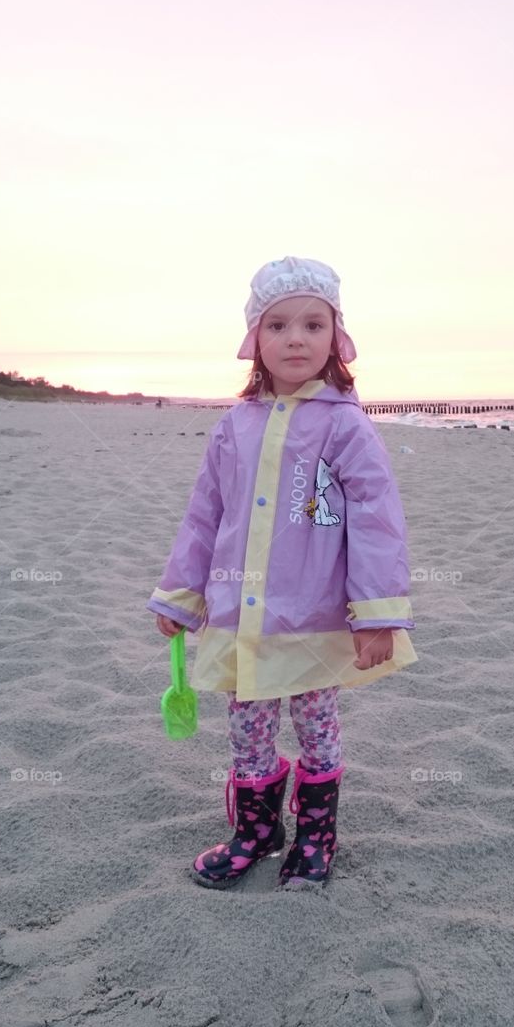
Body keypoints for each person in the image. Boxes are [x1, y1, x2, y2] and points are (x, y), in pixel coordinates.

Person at [146, 256, 418, 892]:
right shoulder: (233, 426)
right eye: (279, 326)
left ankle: (317, 833)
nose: (296, 338)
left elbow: (377, 518)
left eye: (313, 325)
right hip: (243, 618)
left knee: (317, 725)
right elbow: (203, 516)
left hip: (316, 617)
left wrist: (377, 613)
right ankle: (257, 830)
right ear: (255, 341)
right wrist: (181, 597)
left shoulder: (345, 423)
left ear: (335, 340)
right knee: (248, 728)